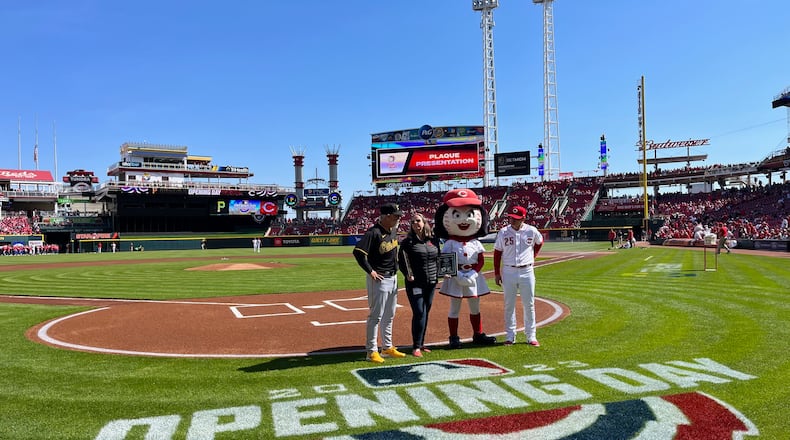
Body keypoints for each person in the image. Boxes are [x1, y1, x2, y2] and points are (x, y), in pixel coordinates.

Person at [434, 188, 496, 349]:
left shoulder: (476, 242)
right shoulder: (449, 243)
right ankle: (453, 337)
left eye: (469, 214)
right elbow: (445, 262)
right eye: (456, 214)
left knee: (475, 306)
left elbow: (481, 260)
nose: (463, 220)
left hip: (473, 276)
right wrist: (457, 276)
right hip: (456, 277)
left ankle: (478, 334)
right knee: (455, 307)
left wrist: (474, 274)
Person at [353, 202, 407, 363]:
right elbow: (358, 253)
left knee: (389, 315)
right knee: (375, 316)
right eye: (396, 216)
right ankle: (371, 351)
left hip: (393, 278)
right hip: (380, 279)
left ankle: (387, 347)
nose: (399, 218)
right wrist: (371, 271)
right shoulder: (373, 232)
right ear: (387, 216)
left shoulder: (393, 231)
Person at [494, 205, 544, 346]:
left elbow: (539, 242)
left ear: (523, 218)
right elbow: (497, 253)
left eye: (516, 218)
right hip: (509, 270)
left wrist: (533, 255)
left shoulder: (531, 230)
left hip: (527, 271)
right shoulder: (503, 232)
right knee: (509, 304)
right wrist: (497, 272)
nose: (512, 220)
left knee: (529, 304)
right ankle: (510, 336)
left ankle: (531, 336)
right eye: (511, 217)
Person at [398, 213, 440, 357]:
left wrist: (444, 272)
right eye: (413, 221)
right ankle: (415, 346)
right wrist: (408, 274)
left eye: (418, 221)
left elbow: (438, 258)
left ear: (424, 222)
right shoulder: (407, 242)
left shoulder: (433, 240)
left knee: (425, 312)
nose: (416, 223)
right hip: (415, 283)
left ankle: (421, 343)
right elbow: (403, 261)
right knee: (419, 312)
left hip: (431, 282)